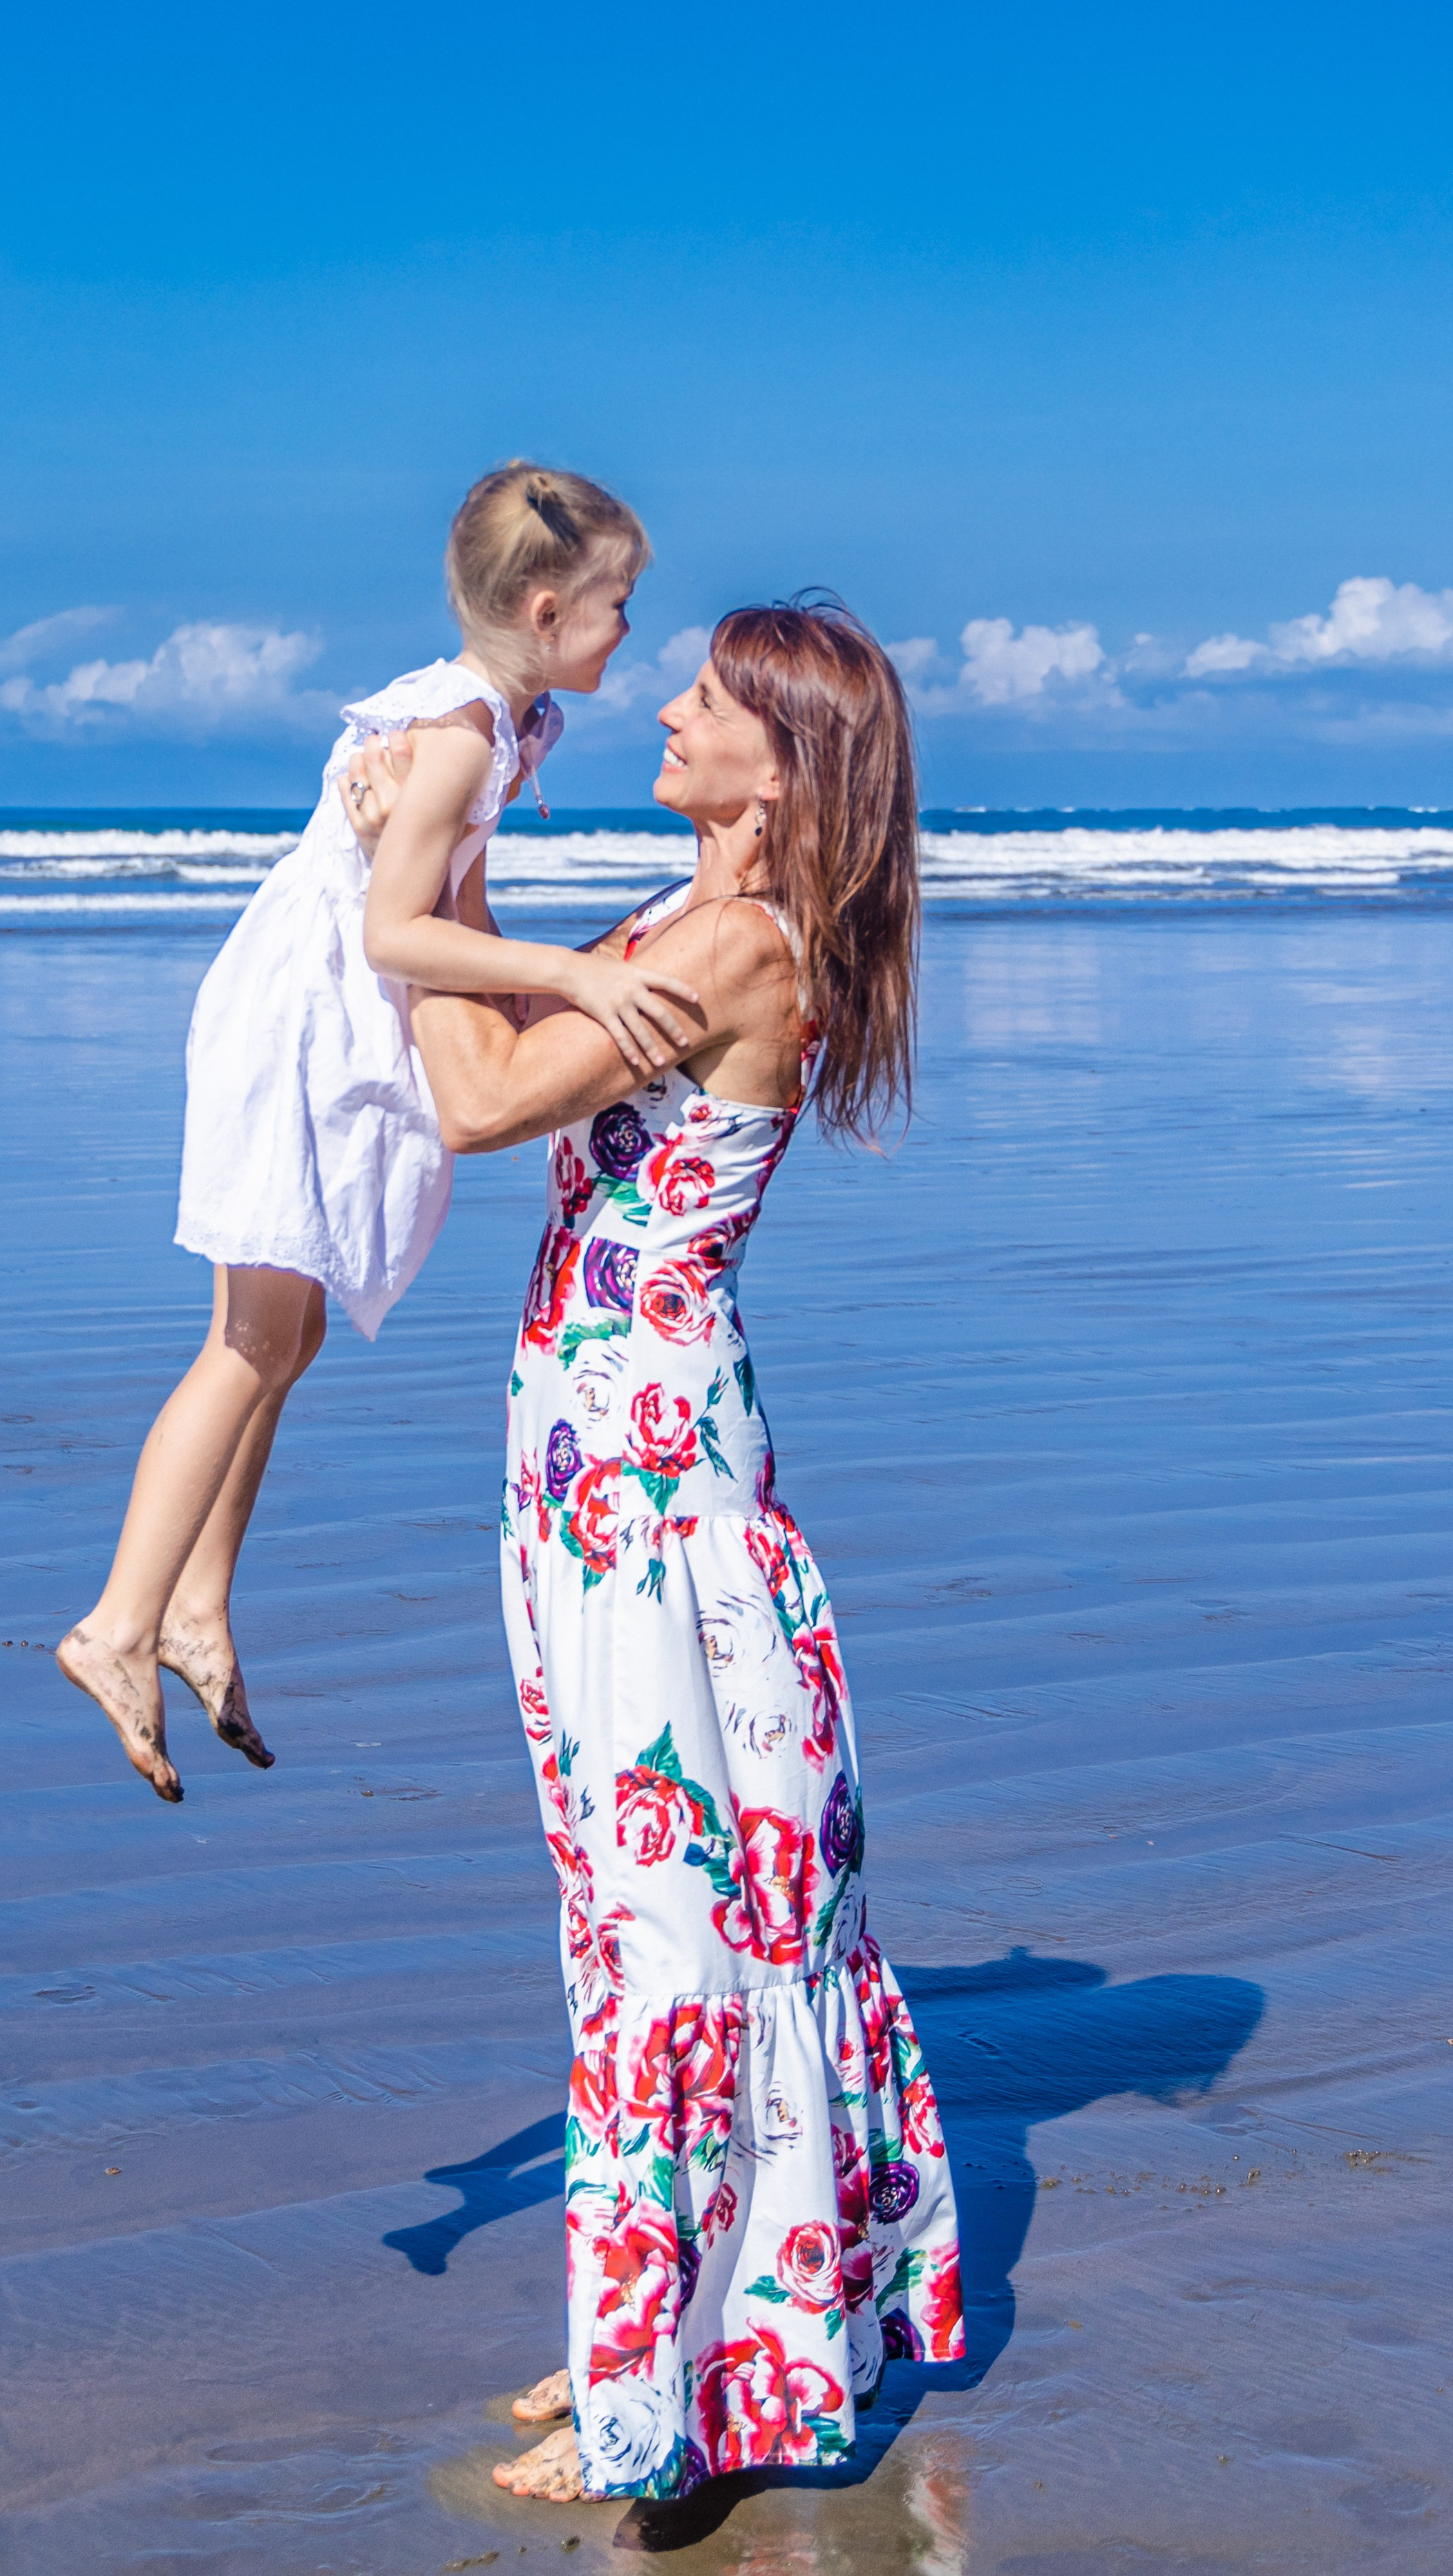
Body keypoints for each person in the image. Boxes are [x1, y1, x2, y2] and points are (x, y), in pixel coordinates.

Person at [345, 596, 963, 2506]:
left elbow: (466, 1097)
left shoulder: (735, 948)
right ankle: (683, 2334)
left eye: (704, 698)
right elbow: (512, 1015)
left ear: (778, 763)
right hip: (591, 1459)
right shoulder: (666, 923)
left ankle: (666, 2389)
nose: (667, 709)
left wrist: (408, 870)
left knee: (669, 1913)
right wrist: (442, 855)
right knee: (638, 1908)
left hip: (650, 1479)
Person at [59, 462, 696, 1803]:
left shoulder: (501, 723)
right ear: (542, 607)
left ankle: (197, 1607)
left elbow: (442, 894)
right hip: (300, 1021)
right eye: (616, 605)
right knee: (246, 1339)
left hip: (331, 1008)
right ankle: (117, 1623)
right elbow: (391, 931)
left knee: (281, 1339)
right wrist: (576, 978)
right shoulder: (463, 732)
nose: (632, 633)